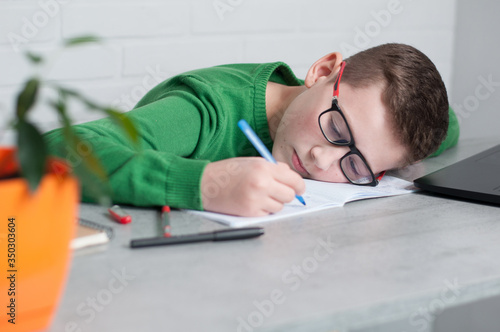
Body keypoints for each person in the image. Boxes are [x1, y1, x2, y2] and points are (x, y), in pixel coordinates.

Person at [44, 43, 459, 217]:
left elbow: (448, 125)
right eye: (335, 126)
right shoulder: (206, 111)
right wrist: (205, 184)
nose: (321, 158)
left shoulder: (377, 135)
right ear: (323, 71)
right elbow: (56, 149)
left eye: (353, 166)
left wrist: (397, 152)